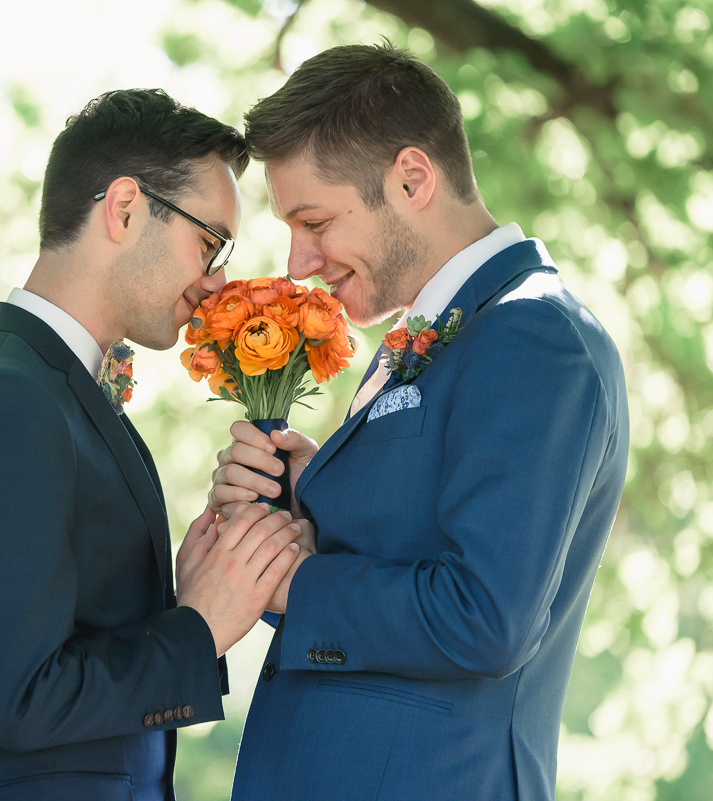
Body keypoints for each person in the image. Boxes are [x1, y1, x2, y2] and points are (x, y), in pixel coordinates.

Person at [209, 43, 629, 800]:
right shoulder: (440, 334)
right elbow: (409, 547)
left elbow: (484, 616)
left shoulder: (533, 335)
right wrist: (310, 499)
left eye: (315, 220)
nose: (300, 261)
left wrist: (291, 583)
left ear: (411, 178)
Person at [0, 88, 304, 801]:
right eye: (208, 240)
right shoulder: (6, 400)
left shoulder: (60, 393)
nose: (215, 281)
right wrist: (197, 629)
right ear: (122, 208)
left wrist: (189, 598)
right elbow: (25, 700)